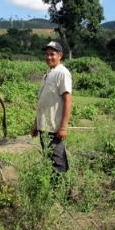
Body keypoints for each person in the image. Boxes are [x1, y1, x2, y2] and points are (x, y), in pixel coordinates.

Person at [31, 41, 73, 177]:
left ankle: (62, 193)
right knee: (48, 159)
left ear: (60, 55)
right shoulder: (48, 74)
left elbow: (68, 100)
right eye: (47, 54)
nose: (48, 57)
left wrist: (63, 127)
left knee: (58, 163)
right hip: (44, 126)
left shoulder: (63, 73)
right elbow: (44, 103)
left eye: (52, 54)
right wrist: (36, 123)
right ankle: (51, 190)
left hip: (54, 129)